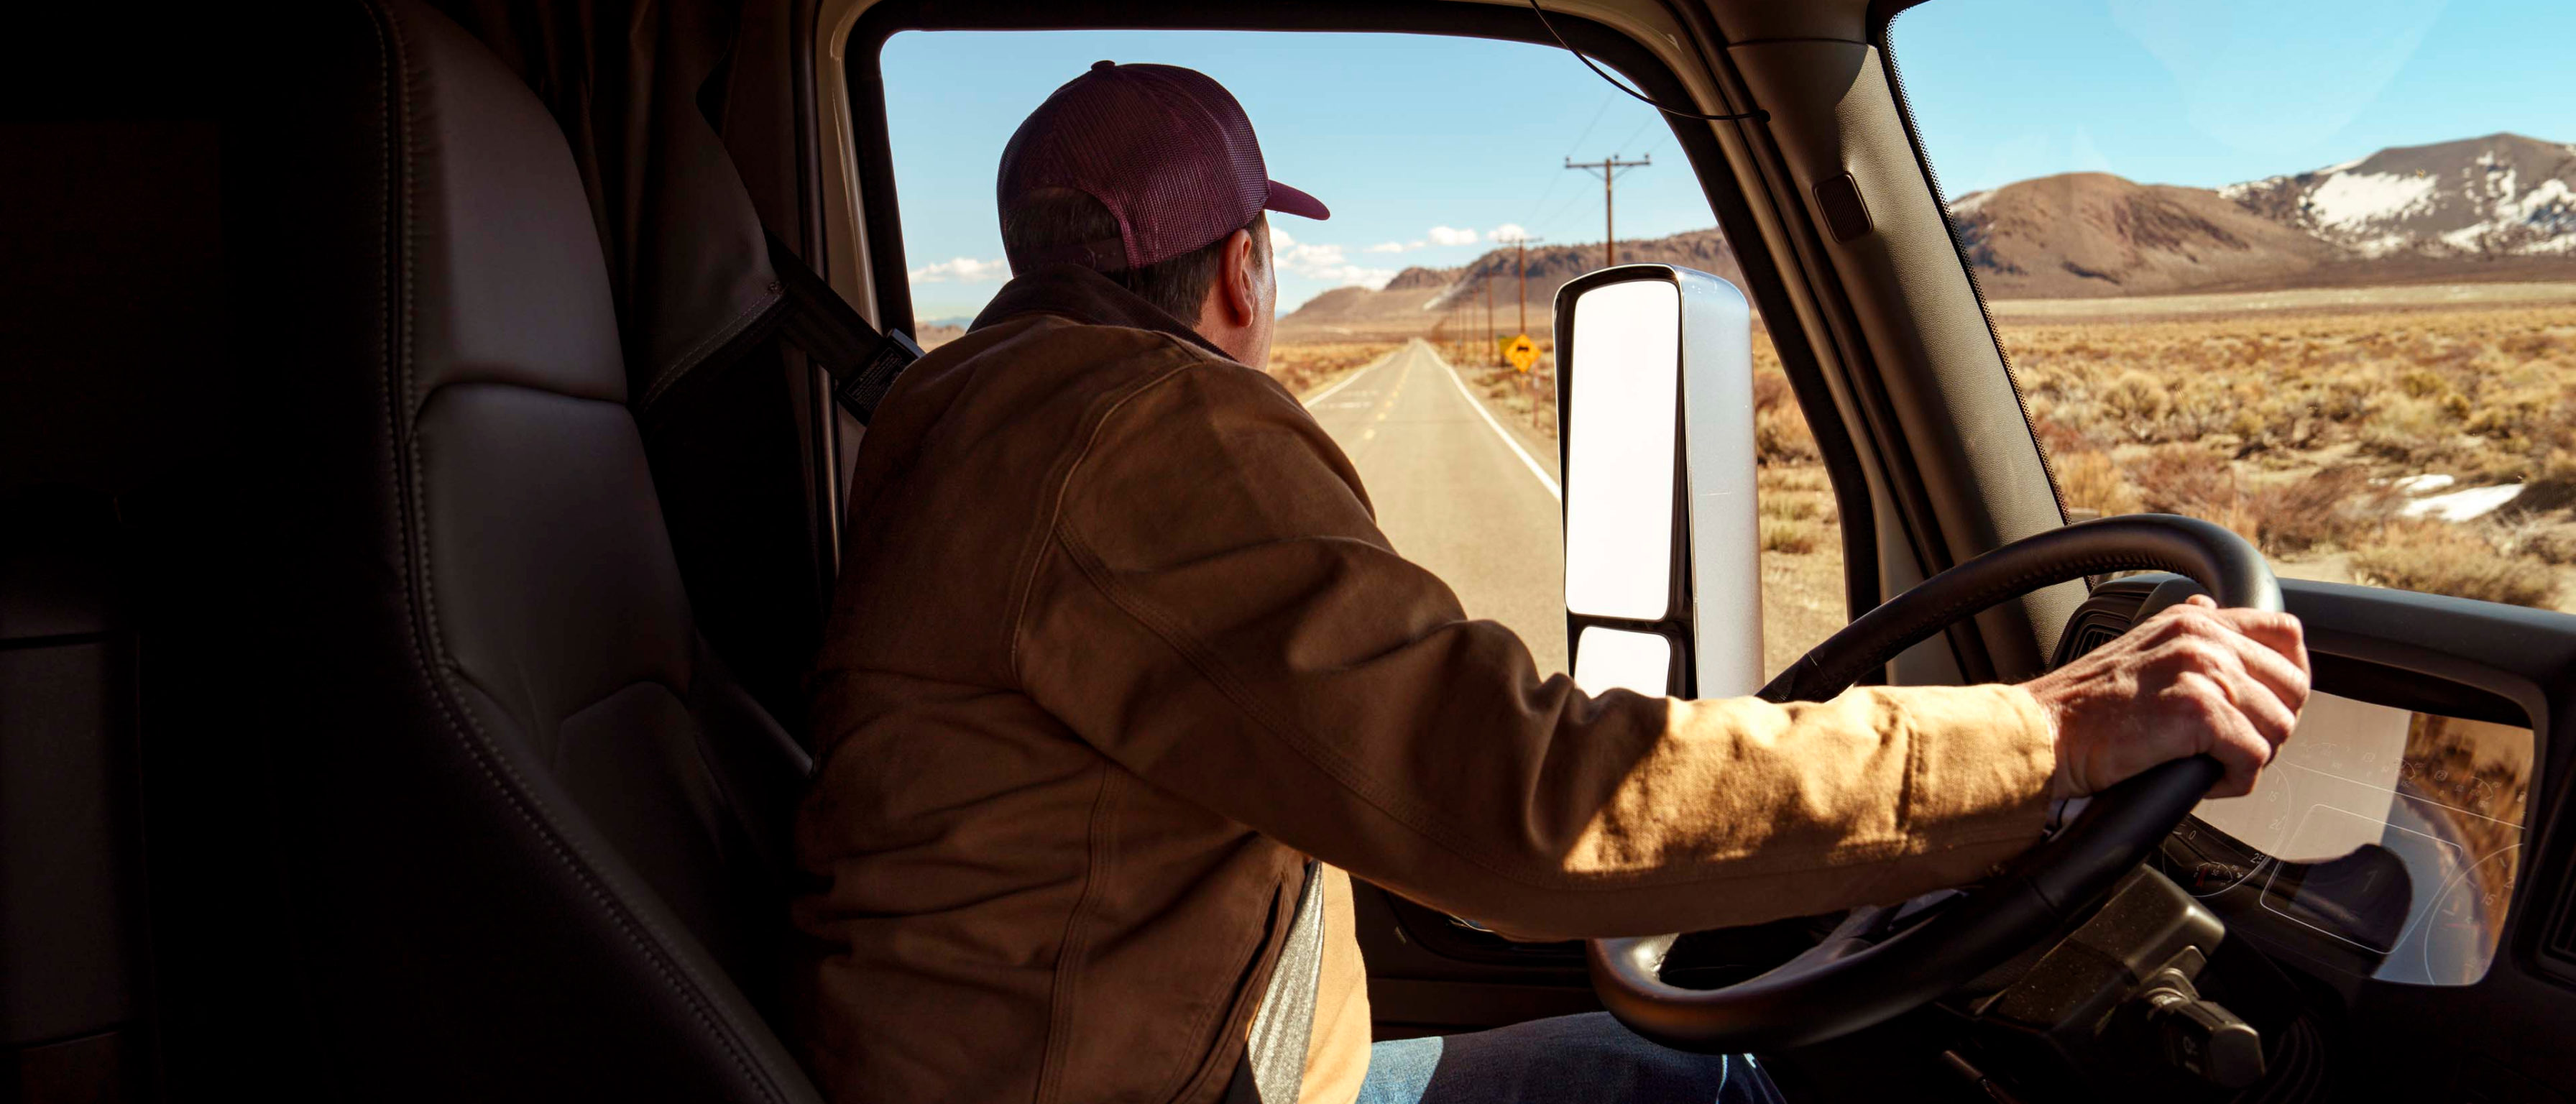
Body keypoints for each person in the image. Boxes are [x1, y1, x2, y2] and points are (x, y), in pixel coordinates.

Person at [787, 62, 2309, 1104]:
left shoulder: (961, 414)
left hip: (1125, 1056)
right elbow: (1520, 804)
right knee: (1698, 1083)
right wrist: (2044, 737)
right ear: (1243, 272)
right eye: (1270, 266)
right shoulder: (1150, 427)